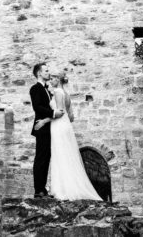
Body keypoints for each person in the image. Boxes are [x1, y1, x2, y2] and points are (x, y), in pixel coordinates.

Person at [34, 71, 102, 201]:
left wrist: (43, 121)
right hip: (64, 126)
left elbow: (59, 112)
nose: (51, 81)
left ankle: (62, 189)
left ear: (58, 81)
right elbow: (71, 117)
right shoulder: (66, 94)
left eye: (53, 78)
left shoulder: (58, 93)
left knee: (60, 155)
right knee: (65, 155)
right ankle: (67, 186)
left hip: (58, 126)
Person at [29, 62, 64, 198]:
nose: (48, 73)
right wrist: (53, 113)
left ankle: (43, 189)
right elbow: (37, 107)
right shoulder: (35, 88)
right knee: (40, 158)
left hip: (49, 127)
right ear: (39, 73)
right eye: (46, 71)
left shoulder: (47, 89)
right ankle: (38, 190)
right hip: (41, 127)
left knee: (47, 157)